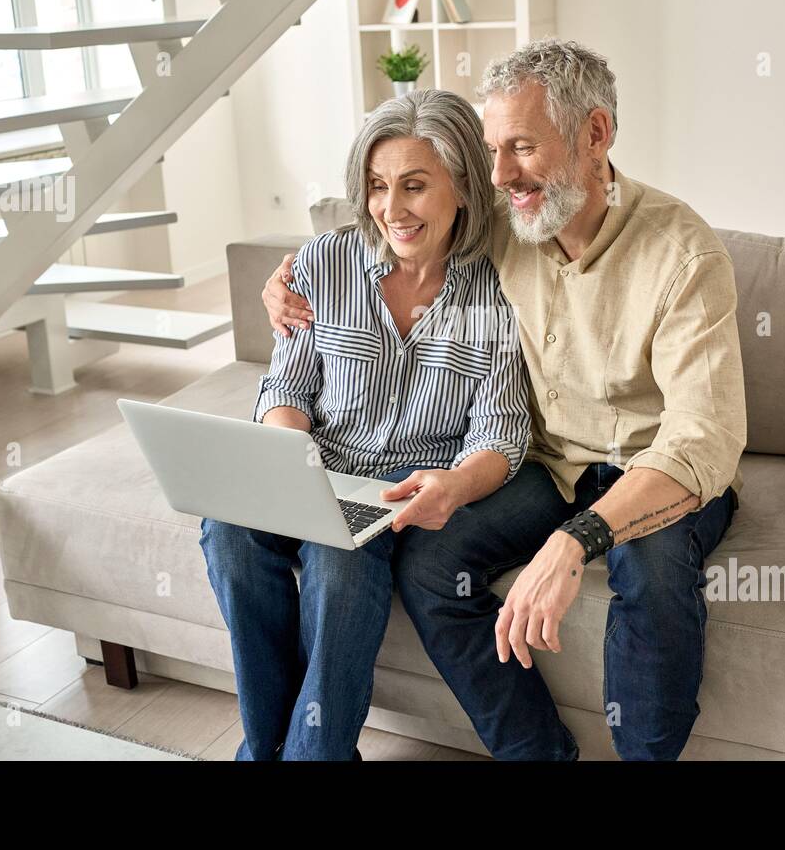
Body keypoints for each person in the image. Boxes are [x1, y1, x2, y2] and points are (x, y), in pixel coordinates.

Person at [264, 38, 747, 761]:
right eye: (492, 150)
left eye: (520, 147)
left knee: (648, 573)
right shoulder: (504, 221)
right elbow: (392, 214)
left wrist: (579, 538)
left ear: (595, 134)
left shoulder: (684, 254)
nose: (499, 175)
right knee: (430, 566)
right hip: (549, 469)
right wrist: (289, 276)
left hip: (656, 471)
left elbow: (702, 439)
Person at [201, 88, 530, 761]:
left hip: (397, 486)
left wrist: (457, 485)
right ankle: (267, 750)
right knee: (227, 530)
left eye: (414, 186)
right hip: (312, 460)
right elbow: (287, 383)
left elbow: (501, 431)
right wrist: (288, 455)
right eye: (378, 187)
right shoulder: (324, 261)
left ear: (463, 186)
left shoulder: (498, 288)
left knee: (339, 563)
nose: (391, 209)